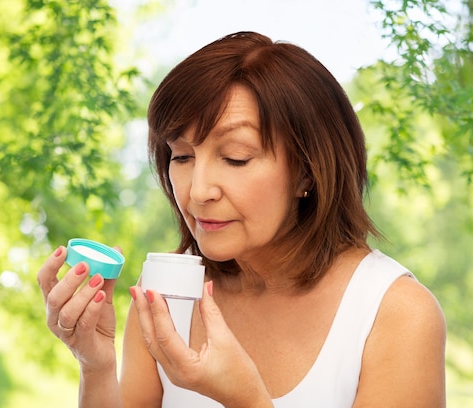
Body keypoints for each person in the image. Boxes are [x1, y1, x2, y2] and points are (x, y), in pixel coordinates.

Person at [37, 31, 446, 407]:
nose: (198, 191)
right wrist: (96, 365)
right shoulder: (167, 295)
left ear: (308, 170)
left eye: (236, 157)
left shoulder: (395, 314)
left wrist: (248, 401)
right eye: (181, 156)